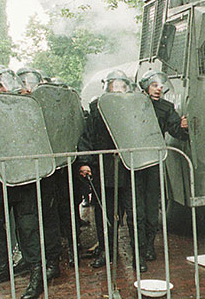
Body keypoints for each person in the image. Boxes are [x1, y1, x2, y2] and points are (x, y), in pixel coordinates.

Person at [0, 66, 60, 299]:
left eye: (1, 84)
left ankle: (36, 274)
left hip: (24, 178)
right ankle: (3, 265)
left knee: (28, 227)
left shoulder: (26, 105)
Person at [77, 70, 146, 272]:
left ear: (127, 89)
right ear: (106, 88)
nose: (117, 91)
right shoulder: (96, 111)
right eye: (113, 87)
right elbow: (86, 138)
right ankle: (107, 253)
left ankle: (138, 256)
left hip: (129, 170)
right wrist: (84, 161)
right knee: (105, 215)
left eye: (121, 87)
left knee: (135, 215)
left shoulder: (135, 108)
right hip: (104, 170)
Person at [137, 71, 189, 260]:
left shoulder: (166, 108)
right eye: (154, 85)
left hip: (153, 162)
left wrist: (183, 127)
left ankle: (149, 245)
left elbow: (175, 130)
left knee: (152, 207)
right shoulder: (133, 105)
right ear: (145, 87)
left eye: (160, 85)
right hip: (133, 163)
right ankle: (138, 246)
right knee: (136, 208)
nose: (158, 88)